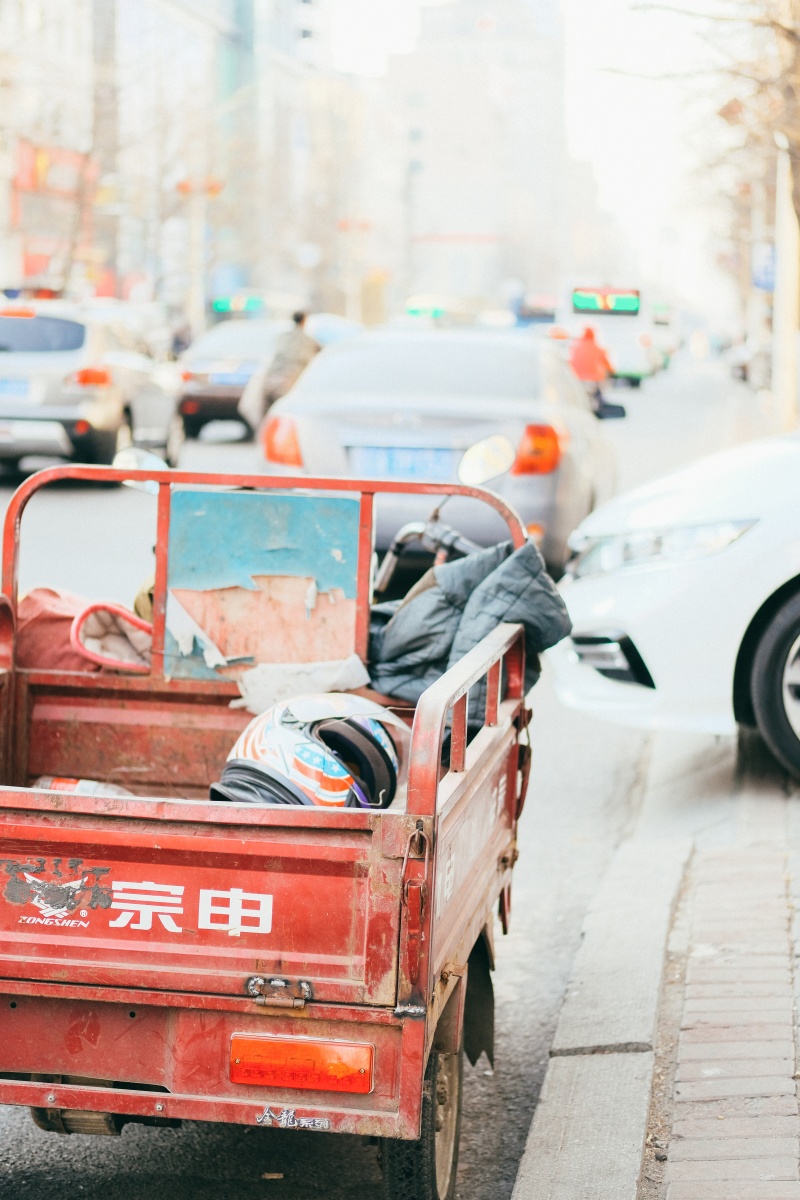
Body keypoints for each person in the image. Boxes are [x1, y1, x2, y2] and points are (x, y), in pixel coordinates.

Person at [238, 311, 320, 431]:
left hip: (271, 380)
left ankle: (269, 432)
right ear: (304, 321)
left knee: (269, 413)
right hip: (291, 382)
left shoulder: (282, 337)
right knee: (288, 414)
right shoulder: (309, 340)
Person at [569, 325, 614, 409]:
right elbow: (608, 365)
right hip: (594, 379)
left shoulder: (575, 347)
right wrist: (612, 371)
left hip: (576, 378)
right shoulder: (598, 348)